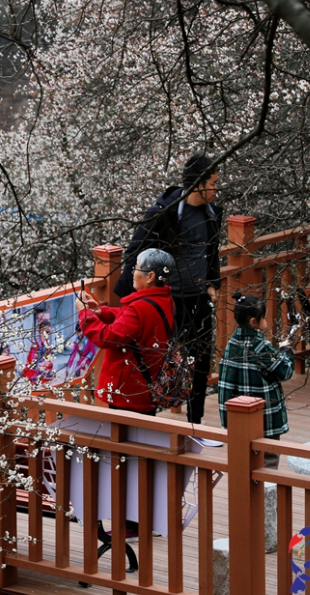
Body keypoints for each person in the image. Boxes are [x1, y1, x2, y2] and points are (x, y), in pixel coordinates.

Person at [114, 153, 223, 424]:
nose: (216, 188)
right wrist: (136, 295)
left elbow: (212, 252)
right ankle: (151, 417)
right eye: (213, 182)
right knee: (160, 359)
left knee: (201, 359)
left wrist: (212, 283)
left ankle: (195, 421)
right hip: (167, 299)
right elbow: (134, 252)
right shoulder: (165, 212)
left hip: (198, 297)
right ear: (198, 183)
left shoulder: (211, 214)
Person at [75, 248, 176, 415]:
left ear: (150, 276)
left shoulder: (139, 307)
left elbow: (107, 337)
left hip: (128, 390)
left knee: (124, 437)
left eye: (136, 268)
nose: (132, 272)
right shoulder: (165, 300)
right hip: (148, 383)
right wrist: (102, 313)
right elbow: (135, 322)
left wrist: (84, 314)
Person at [218, 292, 295, 469]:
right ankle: (265, 495)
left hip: (239, 421)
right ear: (253, 322)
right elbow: (285, 372)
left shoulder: (231, 344)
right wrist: (286, 353)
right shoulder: (261, 345)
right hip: (265, 419)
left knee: (244, 460)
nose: (266, 323)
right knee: (268, 459)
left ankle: (245, 493)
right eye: (264, 319)